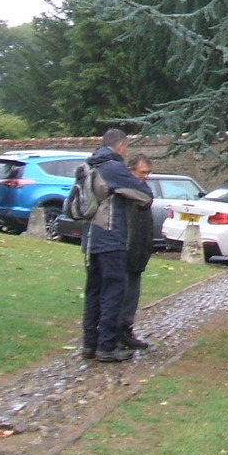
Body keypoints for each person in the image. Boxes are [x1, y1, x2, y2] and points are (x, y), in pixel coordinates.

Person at [80, 129, 153, 363]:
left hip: (90, 237)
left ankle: (90, 343)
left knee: (93, 292)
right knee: (113, 292)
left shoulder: (89, 165)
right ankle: (107, 346)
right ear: (121, 146)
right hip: (111, 237)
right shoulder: (113, 167)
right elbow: (145, 195)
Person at [118, 153, 155, 351]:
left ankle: (126, 330)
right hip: (125, 250)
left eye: (148, 173)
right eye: (143, 172)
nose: (145, 176)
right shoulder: (127, 192)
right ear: (131, 170)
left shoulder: (143, 190)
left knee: (132, 294)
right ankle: (118, 333)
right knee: (122, 294)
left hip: (139, 252)